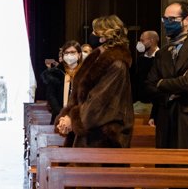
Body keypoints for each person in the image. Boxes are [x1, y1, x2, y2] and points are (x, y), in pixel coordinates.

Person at [55, 15, 134, 149]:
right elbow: (80, 93)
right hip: (89, 130)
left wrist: (72, 120)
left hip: (104, 134)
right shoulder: (96, 58)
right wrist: (67, 115)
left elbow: (99, 100)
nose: (92, 35)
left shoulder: (117, 64)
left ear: (104, 35)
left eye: (95, 31)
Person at [146, 1, 188, 149]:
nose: (166, 23)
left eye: (171, 20)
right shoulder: (162, 53)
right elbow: (150, 85)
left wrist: (162, 83)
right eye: (164, 19)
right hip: (166, 120)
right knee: (166, 168)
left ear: (187, 20)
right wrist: (169, 89)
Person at [40, 41, 82, 120]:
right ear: (63, 56)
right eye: (66, 53)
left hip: (80, 119)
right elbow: (51, 96)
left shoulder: (85, 73)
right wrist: (62, 114)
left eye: (72, 52)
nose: (69, 55)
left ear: (79, 55)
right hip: (59, 118)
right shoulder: (55, 73)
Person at [132, 30, 160, 112]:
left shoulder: (161, 57)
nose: (139, 43)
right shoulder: (141, 58)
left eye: (142, 40)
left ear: (151, 41)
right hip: (139, 101)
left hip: (155, 102)